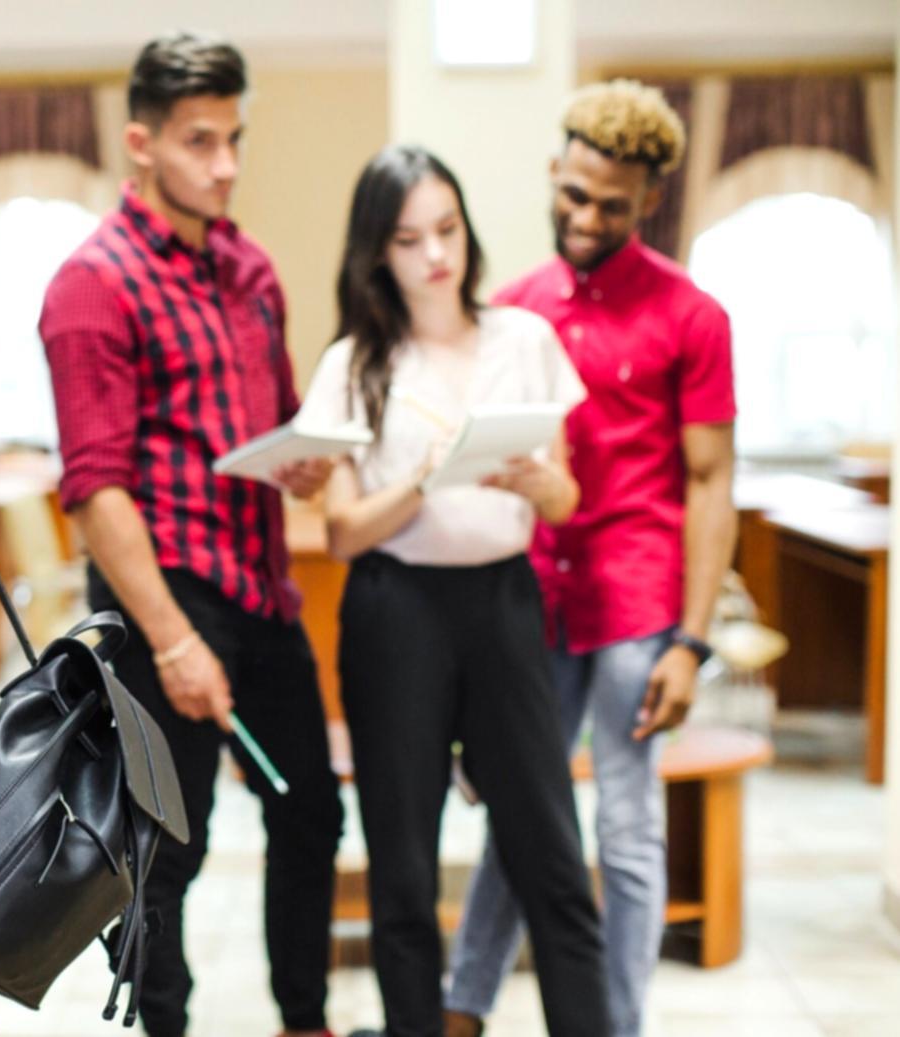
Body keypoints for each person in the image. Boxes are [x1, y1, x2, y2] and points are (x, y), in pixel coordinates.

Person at [40, 31, 344, 1037]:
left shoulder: (249, 267)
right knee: (171, 845)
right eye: (199, 141)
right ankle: (161, 1023)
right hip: (158, 600)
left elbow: (274, 418)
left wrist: (300, 457)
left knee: (310, 814)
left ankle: (304, 1018)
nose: (223, 164)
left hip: (261, 591)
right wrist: (173, 642)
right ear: (141, 143)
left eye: (233, 139)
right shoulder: (93, 283)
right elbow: (95, 492)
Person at [445, 80, 737, 1037]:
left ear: (649, 199)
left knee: (625, 826)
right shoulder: (513, 309)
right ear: (554, 172)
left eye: (612, 205)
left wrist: (691, 643)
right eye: (573, 195)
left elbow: (708, 484)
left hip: (636, 607)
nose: (586, 217)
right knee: (521, 819)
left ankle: (613, 1024)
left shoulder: (693, 316)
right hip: (528, 601)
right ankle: (461, 1008)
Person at [304, 146, 609, 1037]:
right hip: (394, 611)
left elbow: (566, 495)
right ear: (378, 253)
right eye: (409, 239)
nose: (435, 254)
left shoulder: (524, 339)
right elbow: (342, 530)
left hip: (504, 605)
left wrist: (529, 483)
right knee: (401, 871)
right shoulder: (355, 362)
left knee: (552, 856)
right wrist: (426, 479)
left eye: (447, 229)